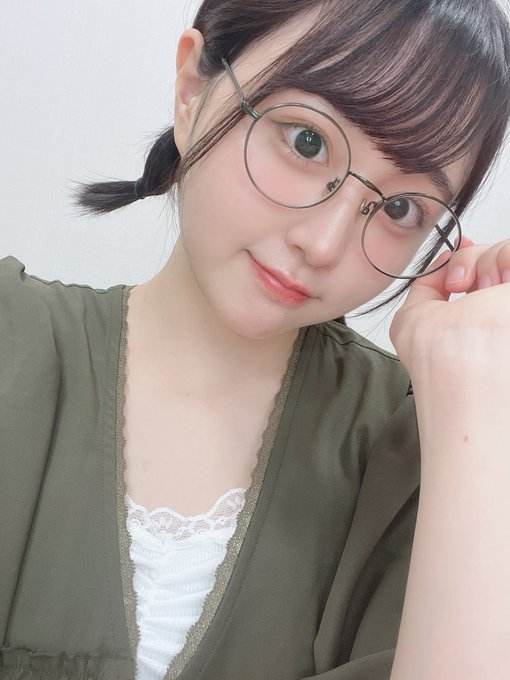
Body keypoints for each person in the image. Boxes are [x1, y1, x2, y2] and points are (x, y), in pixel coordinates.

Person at [1, 1, 510, 679]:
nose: (323, 243)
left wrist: (482, 399)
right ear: (193, 88)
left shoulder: (425, 457)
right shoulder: (15, 343)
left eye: (399, 208)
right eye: (307, 141)